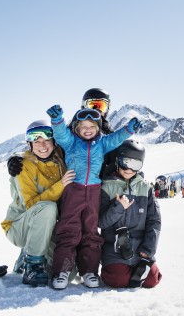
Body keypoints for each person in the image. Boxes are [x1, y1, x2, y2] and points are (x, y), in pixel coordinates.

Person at [46, 104, 142, 290]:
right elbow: (60, 135)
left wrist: (129, 129)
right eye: (83, 127)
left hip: (94, 191)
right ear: (77, 129)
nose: (88, 130)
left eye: (92, 127)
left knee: (90, 230)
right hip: (74, 189)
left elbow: (116, 138)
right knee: (69, 229)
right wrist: (57, 121)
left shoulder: (102, 143)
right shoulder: (71, 142)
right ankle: (62, 271)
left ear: (98, 128)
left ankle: (89, 271)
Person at [1, 121, 75, 286]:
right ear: (30, 144)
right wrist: (60, 185)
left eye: (46, 140)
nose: (42, 145)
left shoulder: (61, 161)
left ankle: (26, 255)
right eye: (36, 140)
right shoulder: (23, 166)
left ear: (54, 142)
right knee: (48, 207)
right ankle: (32, 266)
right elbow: (31, 205)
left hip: (46, 227)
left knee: (67, 273)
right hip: (20, 226)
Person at [99, 139, 162, 288]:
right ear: (117, 161)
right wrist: (119, 207)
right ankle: (127, 274)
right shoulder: (106, 187)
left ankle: (136, 274)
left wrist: (148, 250)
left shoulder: (146, 189)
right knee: (116, 279)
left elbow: (154, 221)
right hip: (115, 247)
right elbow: (101, 222)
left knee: (152, 280)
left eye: (135, 165)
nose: (129, 169)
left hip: (140, 248)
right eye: (125, 162)